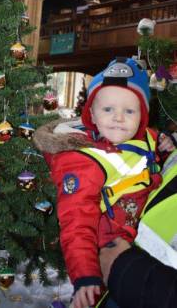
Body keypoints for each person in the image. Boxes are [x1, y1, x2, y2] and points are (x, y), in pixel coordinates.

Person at [33, 57, 176, 308]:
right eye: (108, 109)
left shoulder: (144, 139)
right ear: (92, 115)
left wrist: (165, 145)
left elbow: (151, 144)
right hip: (103, 258)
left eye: (129, 111)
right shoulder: (84, 161)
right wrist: (86, 276)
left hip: (138, 254)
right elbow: (76, 222)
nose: (118, 118)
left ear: (141, 117)